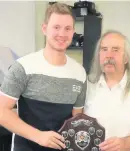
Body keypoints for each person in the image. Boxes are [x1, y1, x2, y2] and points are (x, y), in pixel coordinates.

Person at [0, 3, 87, 151]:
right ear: (44, 29)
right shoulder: (22, 67)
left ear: (73, 32)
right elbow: (2, 111)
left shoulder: (79, 73)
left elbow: (76, 118)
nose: (62, 34)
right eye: (56, 27)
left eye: (67, 28)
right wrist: (38, 136)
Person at [84, 30, 130, 151]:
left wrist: (126, 143)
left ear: (126, 58)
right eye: (104, 49)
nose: (109, 55)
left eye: (115, 50)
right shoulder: (88, 85)